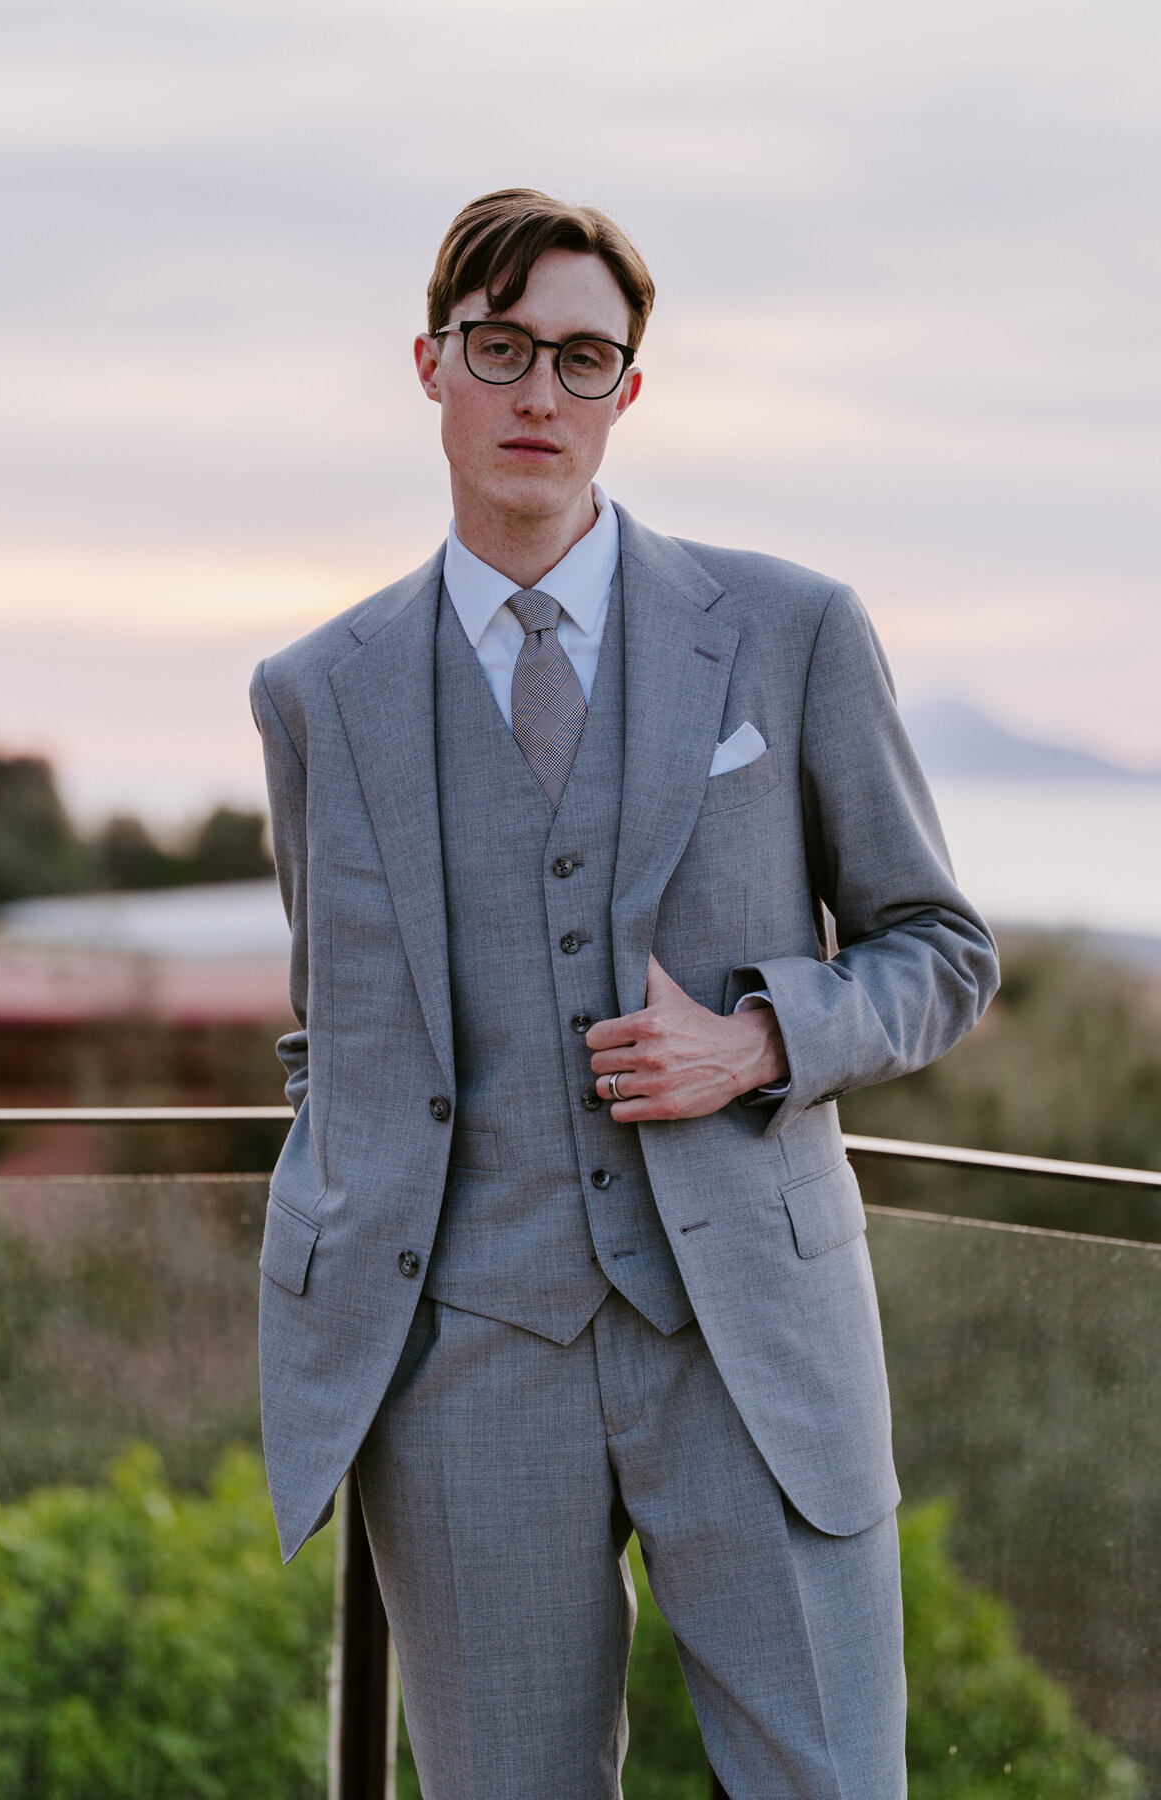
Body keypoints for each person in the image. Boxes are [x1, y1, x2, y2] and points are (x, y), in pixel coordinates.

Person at [250, 188, 999, 1800]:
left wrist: (762, 1038)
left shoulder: (789, 634)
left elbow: (943, 949)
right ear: (432, 367)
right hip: (464, 1361)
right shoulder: (316, 694)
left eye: (584, 358)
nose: (540, 394)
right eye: (502, 347)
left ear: (630, 393)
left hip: (750, 1345)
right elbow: (335, 1032)